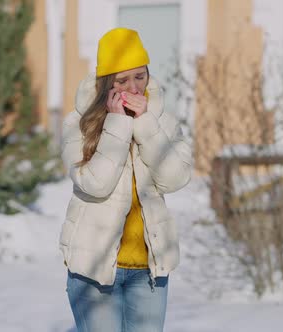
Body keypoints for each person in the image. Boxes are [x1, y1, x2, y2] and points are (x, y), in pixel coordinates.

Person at [59, 27, 192, 332]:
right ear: (106, 82)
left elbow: (175, 178)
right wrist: (118, 123)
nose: (134, 88)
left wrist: (145, 124)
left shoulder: (162, 122)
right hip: (93, 269)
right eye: (122, 80)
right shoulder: (78, 124)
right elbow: (95, 183)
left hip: (149, 270)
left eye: (140, 77)